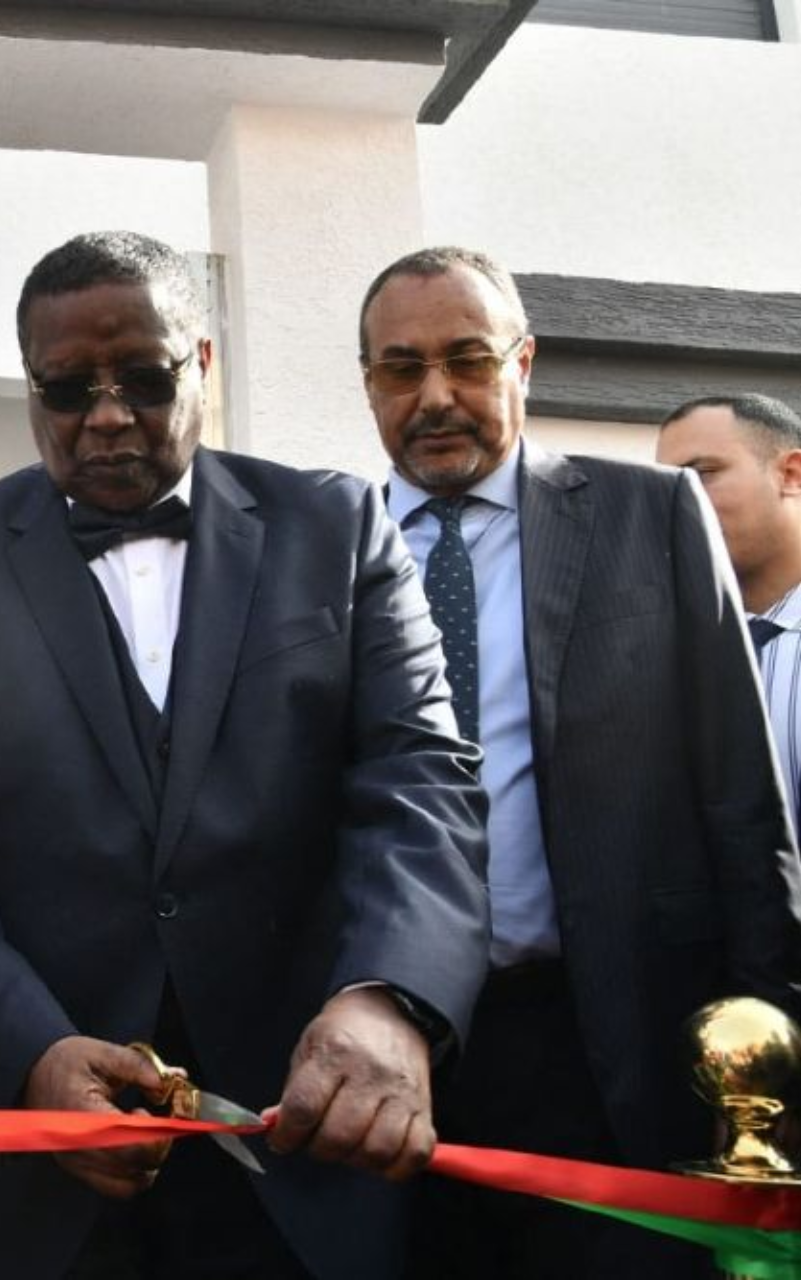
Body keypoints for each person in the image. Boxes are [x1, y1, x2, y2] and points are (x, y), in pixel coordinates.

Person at [0, 230, 491, 1280]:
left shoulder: (335, 525)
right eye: (68, 389)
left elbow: (420, 776)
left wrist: (389, 996)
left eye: (144, 379)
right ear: (30, 388)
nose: (107, 415)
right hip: (33, 1182)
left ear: (202, 362)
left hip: (300, 1148)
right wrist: (28, 1051)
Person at [358, 247, 801, 1279]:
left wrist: (769, 1059)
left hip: (612, 1042)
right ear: (369, 382)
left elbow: (740, 796)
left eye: (469, 359)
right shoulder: (322, 543)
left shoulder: (650, 515)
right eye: (402, 367)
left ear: (524, 362)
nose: (436, 395)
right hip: (391, 1052)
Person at [656, 393, 801, 833]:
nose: (678, 501)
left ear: (791, 474)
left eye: (702, 474)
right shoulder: (658, 649)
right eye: (667, 485)